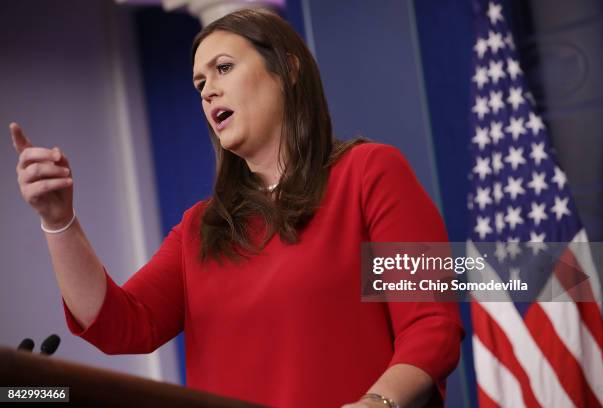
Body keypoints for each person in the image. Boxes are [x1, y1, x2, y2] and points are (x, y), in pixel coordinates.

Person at [10, 8, 463, 408]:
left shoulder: (367, 175)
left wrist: (377, 404)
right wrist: (58, 220)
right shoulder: (201, 227)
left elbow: (429, 327)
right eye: (200, 83)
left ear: (288, 68)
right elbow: (118, 325)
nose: (207, 92)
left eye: (223, 69)